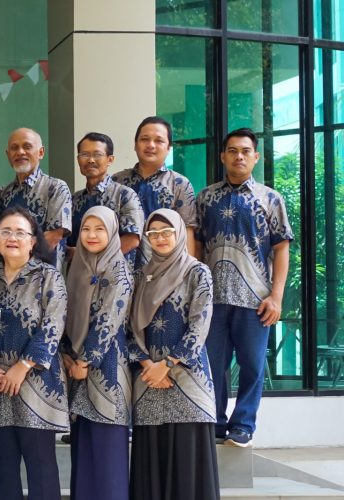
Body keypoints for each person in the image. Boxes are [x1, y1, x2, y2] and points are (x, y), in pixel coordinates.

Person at [195, 128, 292, 447]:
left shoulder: (270, 199)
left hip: (255, 300)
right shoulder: (206, 197)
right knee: (213, 365)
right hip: (213, 300)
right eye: (233, 150)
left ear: (255, 157)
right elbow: (197, 246)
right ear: (223, 156)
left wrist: (276, 296)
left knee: (252, 365)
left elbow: (281, 248)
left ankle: (244, 425)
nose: (239, 156)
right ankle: (215, 422)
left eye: (245, 151)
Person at [128, 209, 219, 500]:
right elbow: (128, 326)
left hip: (188, 380)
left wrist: (167, 365)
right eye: (153, 233)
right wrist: (148, 365)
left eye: (166, 231)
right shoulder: (140, 276)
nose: (160, 238)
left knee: (187, 466)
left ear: (179, 233)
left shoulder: (197, 272)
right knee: (151, 465)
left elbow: (199, 325)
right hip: (148, 381)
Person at [0, 207, 68, 500]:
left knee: (41, 468)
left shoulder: (48, 277)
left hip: (36, 386)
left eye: (20, 232)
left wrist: (23, 365)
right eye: (6, 232)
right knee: (3, 469)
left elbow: (53, 325)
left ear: (33, 241)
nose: (12, 238)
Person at [63, 206, 133, 500]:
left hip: (107, 368)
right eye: (86, 229)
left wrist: (85, 360)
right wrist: (68, 356)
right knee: (84, 453)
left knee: (107, 454)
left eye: (99, 229)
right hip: (76, 368)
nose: (91, 235)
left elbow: (108, 319)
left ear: (112, 232)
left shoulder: (118, 269)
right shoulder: (76, 266)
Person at [110, 116, 198, 264]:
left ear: (169, 147)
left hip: (164, 270)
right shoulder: (117, 181)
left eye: (159, 141)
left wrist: (187, 270)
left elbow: (187, 232)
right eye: (145, 139)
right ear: (135, 144)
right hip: (119, 269)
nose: (151, 145)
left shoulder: (180, 184)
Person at [0, 128, 73, 267]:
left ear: (41, 152)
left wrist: (21, 264)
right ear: (8, 155)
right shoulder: (3, 193)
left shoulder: (56, 188)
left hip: (44, 273)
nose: (20, 152)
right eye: (14, 148)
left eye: (27, 146)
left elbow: (54, 236)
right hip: (8, 273)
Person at [68, 133, 143, 269]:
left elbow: (132, 239)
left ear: (110, 159)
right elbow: (67, 242)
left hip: (115, 275)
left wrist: (89, 258)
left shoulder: (125, 195)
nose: (91, 160)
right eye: (84, 154)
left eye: (97, 154)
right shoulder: (73, 199)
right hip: (79, 276)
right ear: (78, 159)